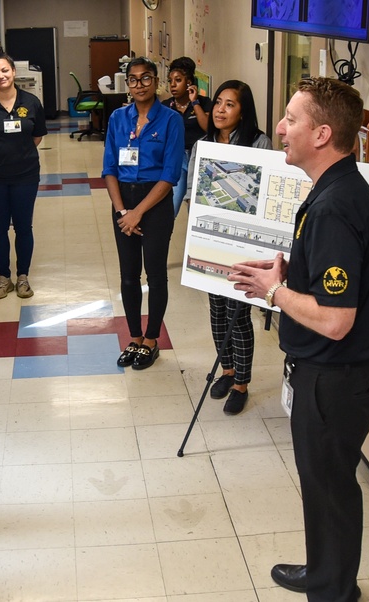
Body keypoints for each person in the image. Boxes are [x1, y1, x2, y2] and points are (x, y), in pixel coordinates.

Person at [229, 77, 369, 602]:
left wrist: (275, 293)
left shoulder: (337, 204)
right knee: (323, 488)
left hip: (334, 381)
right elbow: (335, 279)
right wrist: (291, 272)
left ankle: (334, 591)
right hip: (328, 376)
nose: (279, 128)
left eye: (291, 120)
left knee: (331, 489)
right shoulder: (335, 188)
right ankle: (326, 575)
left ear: (321, 133)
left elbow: (337, 318)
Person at [188, 80, 271, 415]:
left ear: (243, 110)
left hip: (245, 242)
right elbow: (194, 189)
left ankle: (242, 383)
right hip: (211, 239)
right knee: (217, 309)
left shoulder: (259, 142)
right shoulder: (203, 144)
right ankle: (227, 370)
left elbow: (265, 192)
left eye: (229, 104)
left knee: (239, 314)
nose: (219, 110)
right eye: (217, 103)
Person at [102, 57, 184, 371]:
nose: (139, 85)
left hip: (155, 204)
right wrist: (123, 210)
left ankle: (151, 340)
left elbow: (170, 174)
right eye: (133, 80)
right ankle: (134, 338)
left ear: (155, 81)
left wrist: (138, 212)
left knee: (155, 273)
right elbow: (109, 168)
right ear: (128, 84)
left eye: (146, 78)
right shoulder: (117, 118)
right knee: (128, 275)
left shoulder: (171, 120)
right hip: (123, 203)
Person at [0, 45, 47, 300]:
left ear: (13, 72)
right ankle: (4, 278)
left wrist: (16, 153)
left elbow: (36, 136)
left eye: (5, 70)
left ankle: (22, 277)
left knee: (24, 227)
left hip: (25, 175)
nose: (1, 75)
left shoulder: (31, 102)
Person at [162, 56, 209, 217]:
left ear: (189, 82)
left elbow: (208, 127)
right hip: (177, 159)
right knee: (170, 207)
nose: (173, 85)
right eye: (170, 81)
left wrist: (194, 102)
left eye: (178, 80)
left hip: (198, 159)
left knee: (195, 210)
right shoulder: (165, 107)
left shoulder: (204, 103)